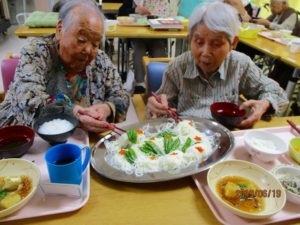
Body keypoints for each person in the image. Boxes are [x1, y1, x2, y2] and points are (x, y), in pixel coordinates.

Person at [146, 2, 288, 129]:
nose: (206, 53)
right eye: (199, 42)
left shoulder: (240, 64)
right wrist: (155, 107)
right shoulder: (177, 67)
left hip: (227, 138)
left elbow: (278, 94)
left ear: (233, 43)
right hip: (187, 141)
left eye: (216, 44)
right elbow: (159, 110)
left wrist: (265, 104)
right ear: (189, 39)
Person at [0, 0, 130, 133]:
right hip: (27, 139)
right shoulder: (37, 52)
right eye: (82, 40)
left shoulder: (100, 60)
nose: (88, 50)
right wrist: (72, 112)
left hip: (80, 142)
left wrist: (107, 108)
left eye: (96, 44)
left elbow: (122, 94)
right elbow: (28, 96)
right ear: (60, 29)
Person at [118, 0, 179, 93]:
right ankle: (140, 84)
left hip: (157, 36)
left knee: (159, 50)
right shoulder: (134, 1)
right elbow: (121, 12)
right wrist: (135, 9)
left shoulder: (163, 3)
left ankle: (160, 83)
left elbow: (169, 18)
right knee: (139, 50)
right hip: (138, 36)